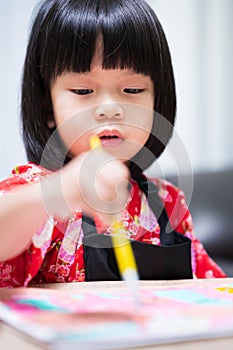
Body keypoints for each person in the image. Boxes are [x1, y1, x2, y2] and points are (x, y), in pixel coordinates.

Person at [0, 0, 226, 287]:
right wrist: (54, 193)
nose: (110, 109)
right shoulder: (38, 190)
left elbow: (212, 290)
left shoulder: (167, 203)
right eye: (83, 90)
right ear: (48, 108)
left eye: (132, 89)